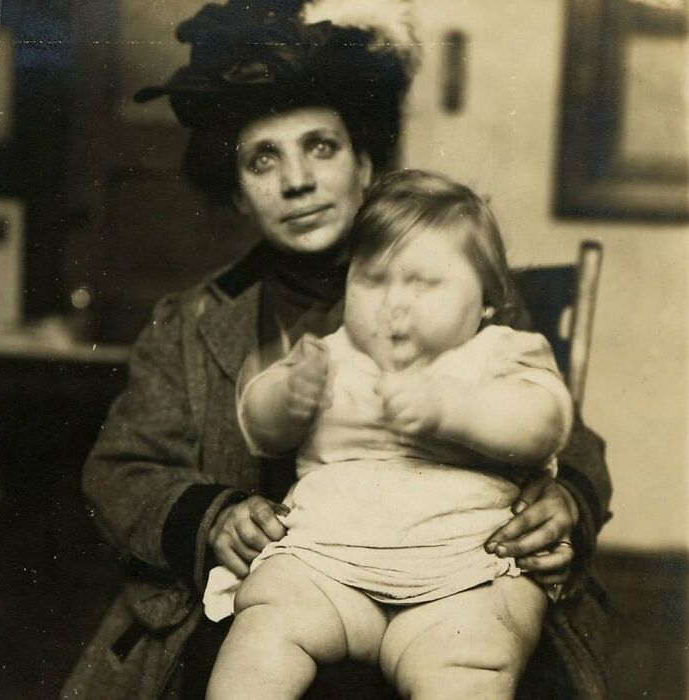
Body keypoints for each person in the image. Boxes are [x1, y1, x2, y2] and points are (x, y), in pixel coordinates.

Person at [62, 2, 612, 699]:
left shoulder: (446, 292)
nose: (297, 180)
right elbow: (119, 470)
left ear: (365, 163)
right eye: (265, 159)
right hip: (281, 599)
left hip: (455, 591)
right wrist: (210, 516)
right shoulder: (193, 322)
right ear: (237, 192)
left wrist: (567, 501)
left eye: (321, 147)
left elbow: (567, 431)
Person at [204, 170, 575, 699]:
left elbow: (544, 424)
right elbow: (258, 429)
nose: (393, 302)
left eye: (423, 283)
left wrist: (452, 410)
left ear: (487, 299)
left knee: (473, 663)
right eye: (372, 279)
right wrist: (285, 399)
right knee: (264, 627)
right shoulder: (331, 354)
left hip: (460, 579)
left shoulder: (499, 353)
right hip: (324, 566)